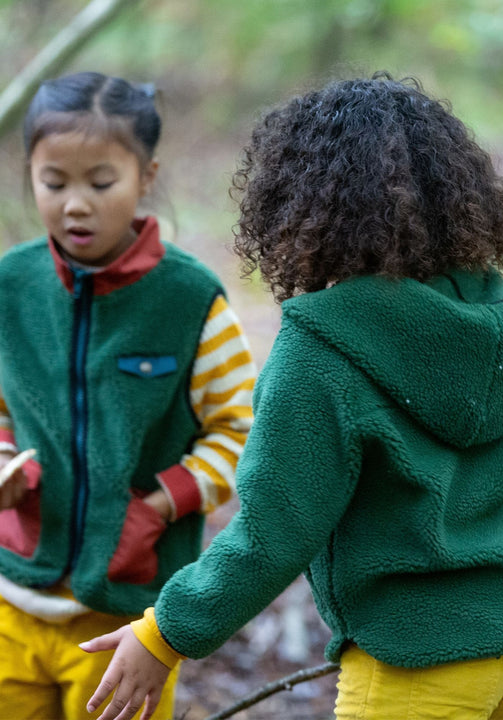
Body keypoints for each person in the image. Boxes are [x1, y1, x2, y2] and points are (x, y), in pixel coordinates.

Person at [83, 73, 503, 720]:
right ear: (455, 193)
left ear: (297, 204)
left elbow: (275, 531)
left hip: (417, 665)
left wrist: (164, 635)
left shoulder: (321, 346)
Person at [0, 71, 256, 719]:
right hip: (13, 595)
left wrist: (160, 505)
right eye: (53, 183)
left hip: (123, 616)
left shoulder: (192, 301)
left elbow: (239, 432)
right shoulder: (12, 284)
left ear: (146, 176)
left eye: (100, 182)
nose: (74, 205)